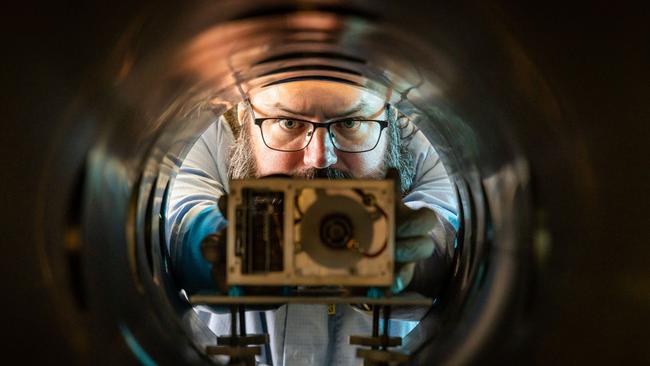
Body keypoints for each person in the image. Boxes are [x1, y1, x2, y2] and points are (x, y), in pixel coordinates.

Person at [167, 79, 458, 366]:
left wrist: (407, 263)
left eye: (350, 123)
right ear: (245, 112)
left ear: (390, 112)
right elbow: (179, 229)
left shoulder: (433, 147)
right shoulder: (205, 138)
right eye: (289, 123)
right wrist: (227, 248)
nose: (320, 158)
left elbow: (448, 244)